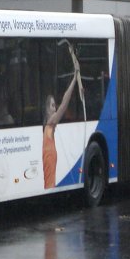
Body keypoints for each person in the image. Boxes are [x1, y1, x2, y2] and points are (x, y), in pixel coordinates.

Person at [43, 61, 81, 189]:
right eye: (52, 106)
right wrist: (75, 78)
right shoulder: (50, 123)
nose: (55, 109)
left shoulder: (49, 128)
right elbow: (64, 104)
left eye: (55, 106)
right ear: (47, 110)